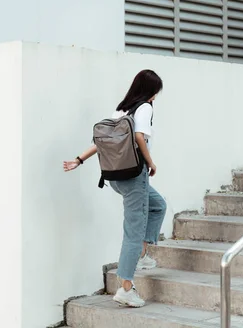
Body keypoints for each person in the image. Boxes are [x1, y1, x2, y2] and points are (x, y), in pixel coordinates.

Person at [63, 70, 167, 308]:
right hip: (134, 176)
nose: (155, 97)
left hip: (115, 177)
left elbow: (102, 141)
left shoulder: (121, 109)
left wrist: (79, 160)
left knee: (158, 205)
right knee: (133, 230)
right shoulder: (144, 108)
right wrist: (150, 163)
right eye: (155, 92)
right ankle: (126, 288)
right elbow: (139, 137)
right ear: (151, 91)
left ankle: (141, 255)